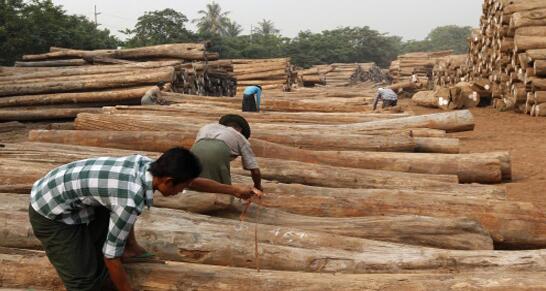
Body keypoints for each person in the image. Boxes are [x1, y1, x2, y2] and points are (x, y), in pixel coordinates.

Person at [29, 147, 260, 291]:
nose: (183, 191)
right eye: (182, 187)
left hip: (77, 196)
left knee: (105, 249)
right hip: (51, 211)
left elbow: (192, 181)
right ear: (168, 181)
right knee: (86, 281)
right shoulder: (130, 199)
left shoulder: (148, 166)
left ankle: (129, 248)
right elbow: (111, 256)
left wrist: (233, 190)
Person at [191, 114, 262, 191]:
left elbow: (198, 148)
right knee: (222, 190)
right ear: (241, 130)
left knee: (192, 183)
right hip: (216, 153)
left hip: (193, 152)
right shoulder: (240, 137)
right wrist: (257, 186)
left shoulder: (207, 127)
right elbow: (255, 171)